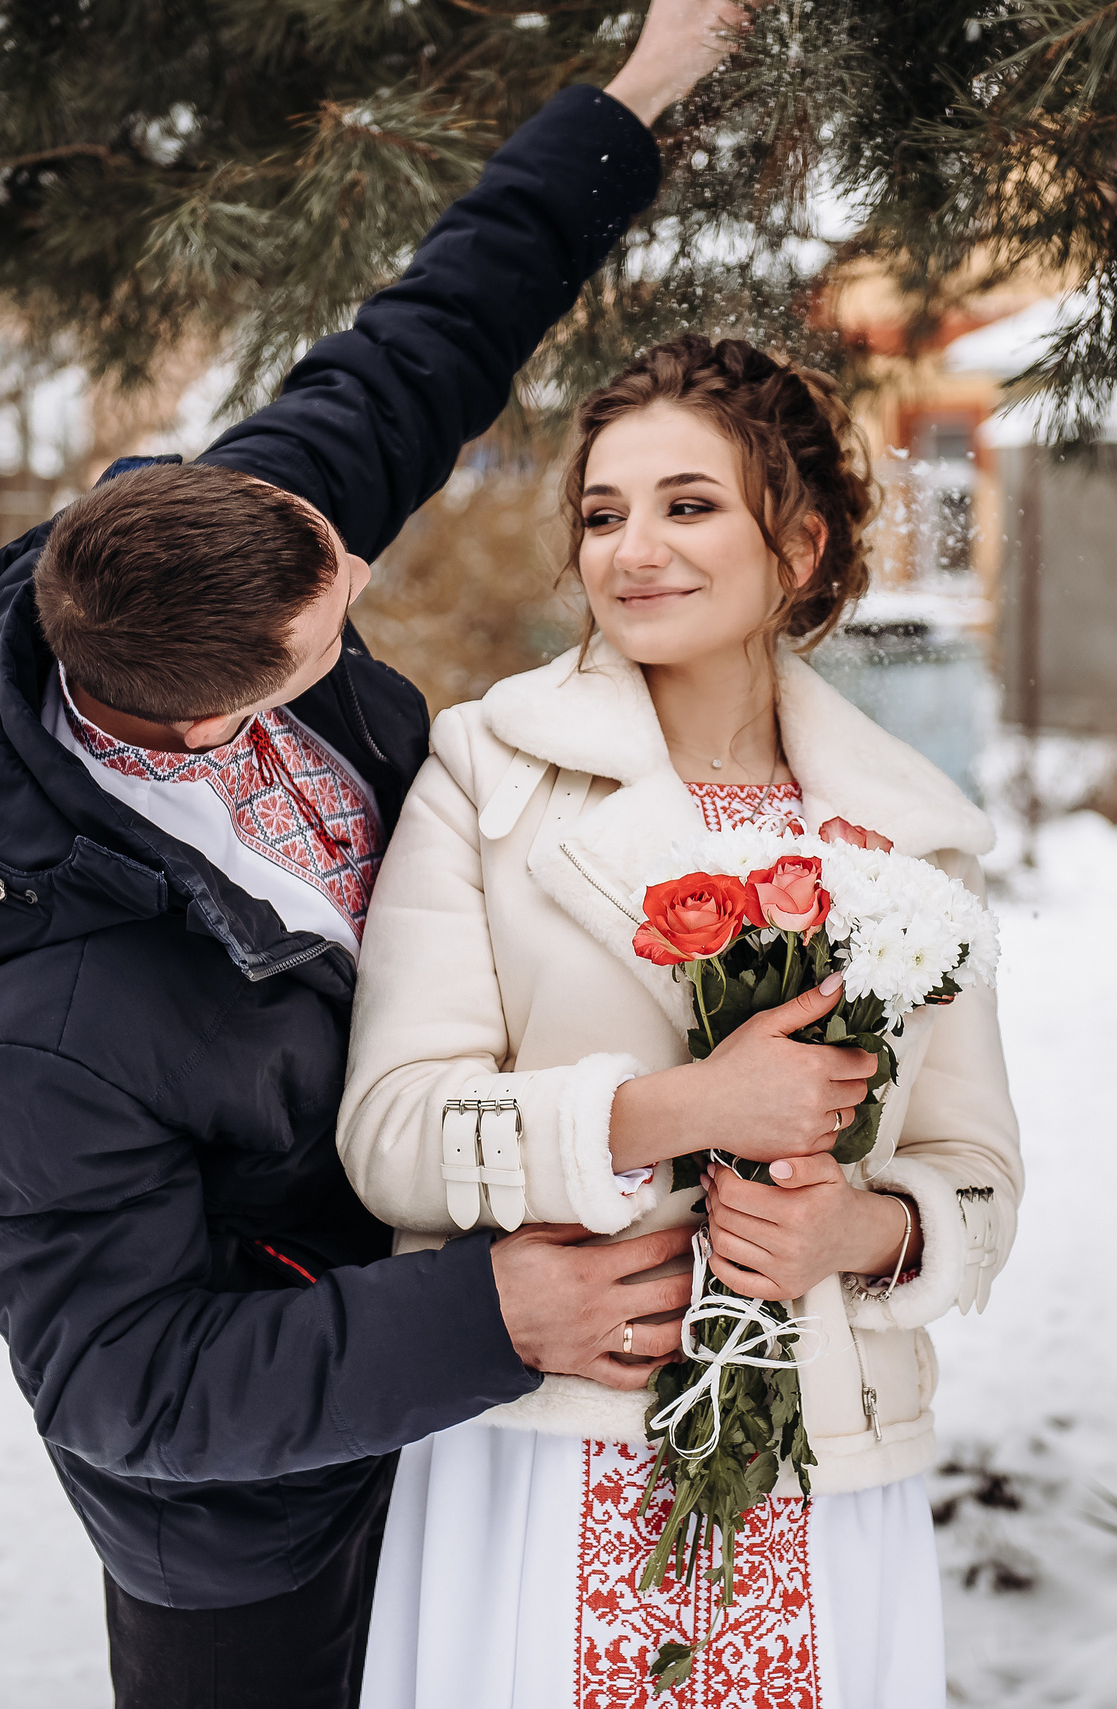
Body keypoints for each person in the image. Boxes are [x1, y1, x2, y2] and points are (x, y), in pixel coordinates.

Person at [0, 9, 784, 1705]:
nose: (357, 581)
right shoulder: (40, 1021)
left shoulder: (210, 554)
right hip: (264, 1514)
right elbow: (125, 1377)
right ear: (201, 722)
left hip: (489, 1374)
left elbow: (432, 332)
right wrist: (493, 1317)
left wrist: (643, 86)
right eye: (323, 620)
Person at [337, 334, 1024, 1706]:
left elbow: (980, 1176)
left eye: (687, 504)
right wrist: (672, 1113)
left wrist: (866, 1231)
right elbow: (391, 1130)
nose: (632, 547)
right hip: (553, 1451)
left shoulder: (912, 834)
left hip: (820, 1469)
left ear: (803, 542)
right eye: (603, 513)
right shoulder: (493, 772)